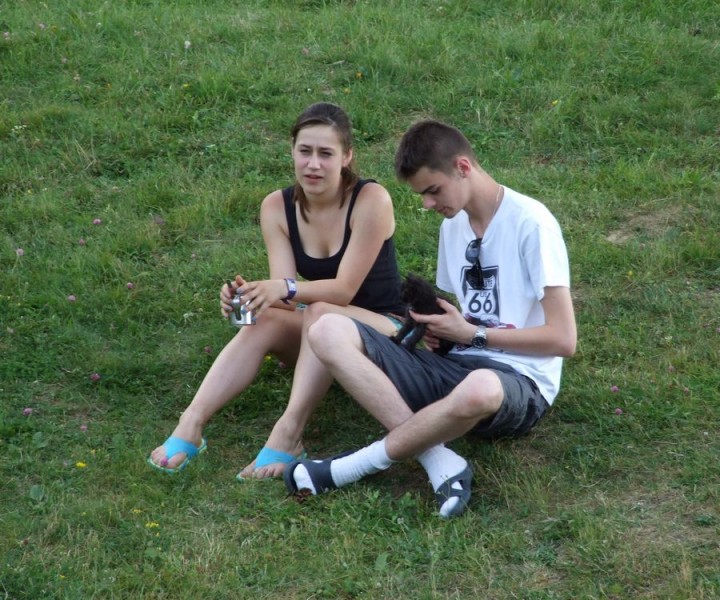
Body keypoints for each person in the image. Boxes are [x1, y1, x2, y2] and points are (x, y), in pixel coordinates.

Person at [283, 119, 577, 517]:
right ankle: (440, 460)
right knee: (325, 328)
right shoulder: (453, 227)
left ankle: (347, 469)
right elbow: (470, 314)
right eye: (421, 194)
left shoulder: (531, 223)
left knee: (480, 388)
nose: (427, 204)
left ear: (463, 167)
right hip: (457, 366)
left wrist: (472, 334)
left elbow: (563, 339)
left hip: (519, 381)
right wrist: (444, 333)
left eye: (433, 190)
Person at [148, 102, 405, 478]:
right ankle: (191, 423)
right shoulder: (277, 207)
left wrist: (281, 288)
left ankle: (289, 435)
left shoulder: (371, 200)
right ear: (292, 151)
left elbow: (343, 292)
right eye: (305, 151)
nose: (313, 164)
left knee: (321, 311)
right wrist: (251, 299)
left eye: (325, 153)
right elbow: (286, 300)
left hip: (386, 331)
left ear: (347, 156)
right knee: (269, 316)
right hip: (323, 332)